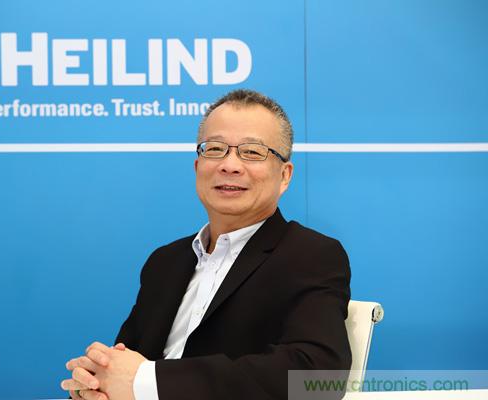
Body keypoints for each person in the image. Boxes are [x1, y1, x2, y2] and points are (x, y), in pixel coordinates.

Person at [61, 89, 352, 400]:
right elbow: (124, 365)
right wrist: (96, 384)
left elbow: (319, 377)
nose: (230, 165)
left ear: (284, 175)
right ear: (197, 166)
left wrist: (148, 381)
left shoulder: (310, 255)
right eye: (215, 149)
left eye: (252, 152)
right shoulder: (165, 262)